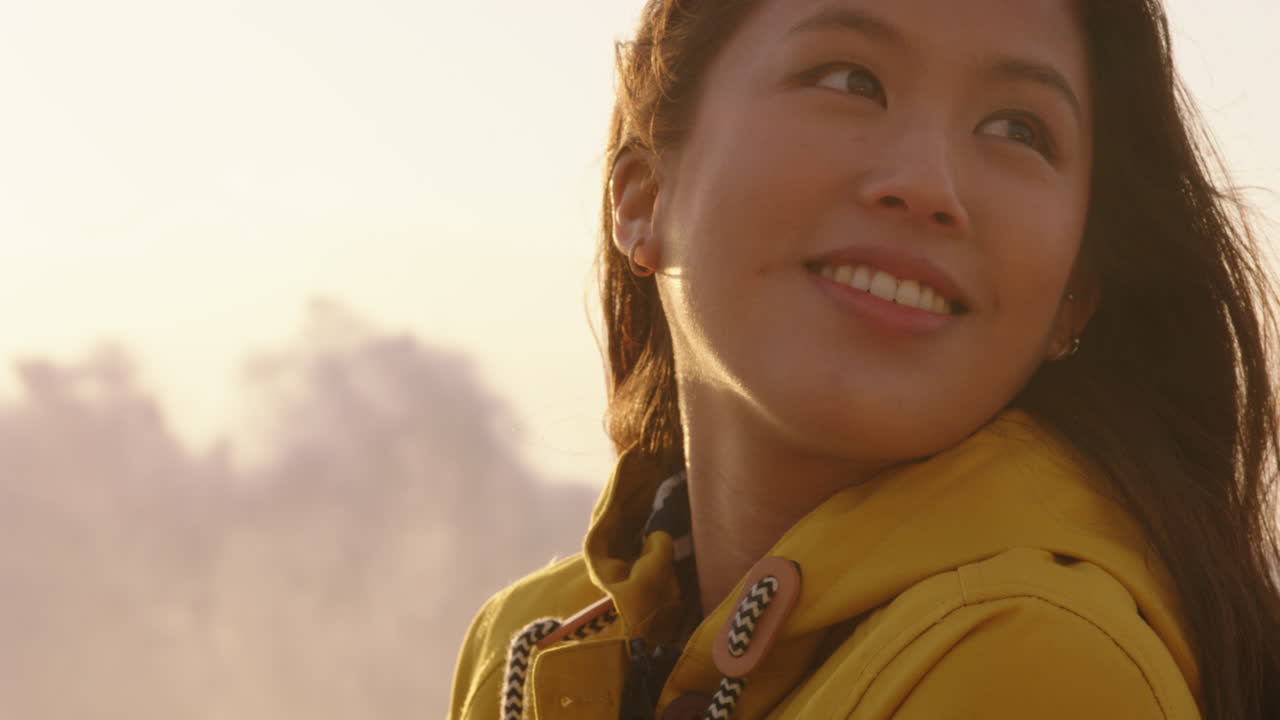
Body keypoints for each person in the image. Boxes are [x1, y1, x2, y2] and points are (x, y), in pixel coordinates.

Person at [449, 0, 1280, 717]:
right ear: (643, 198)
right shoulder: (528, 644)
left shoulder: (1035, 661)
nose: (926, 184)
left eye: (1016, 129)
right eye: (850, 80)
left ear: (1075, 294)